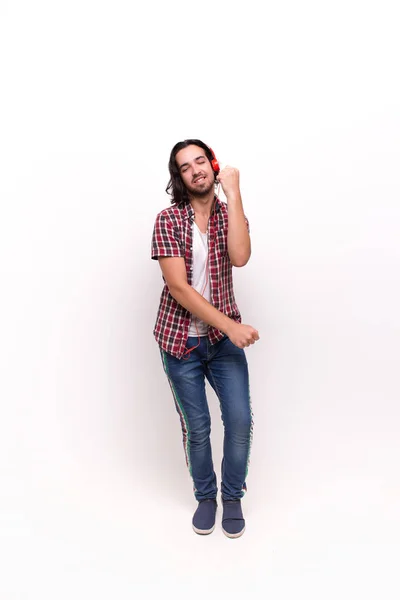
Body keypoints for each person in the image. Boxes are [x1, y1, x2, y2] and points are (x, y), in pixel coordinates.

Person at [151, 139, 259, 538]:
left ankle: (232, 497)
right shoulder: (168, 220)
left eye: (201, 161)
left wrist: (234, 191)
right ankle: (205, 497)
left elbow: (240, 257)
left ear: (212, 165)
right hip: (181, 343)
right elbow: (179, 287)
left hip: (222, 343)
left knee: (239, 421)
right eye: (185, 166)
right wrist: (232, 326)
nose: (195, 169)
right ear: (178, 177)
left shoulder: (230, 213)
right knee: (197, 428)